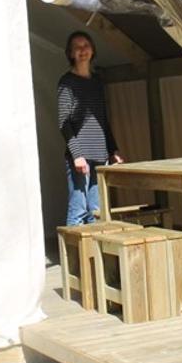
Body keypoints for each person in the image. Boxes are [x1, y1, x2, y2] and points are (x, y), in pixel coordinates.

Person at [57, 31, 123, 226]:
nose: (82, 50)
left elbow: (102, 120)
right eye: (77, 47)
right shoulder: (67, 83)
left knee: (96, 212)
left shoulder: (97, 82)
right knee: (78, 211)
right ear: (70, 53)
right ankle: (73, 248)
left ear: (93, 50)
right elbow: (64, 122)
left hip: (100, 155)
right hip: (80, 158)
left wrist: (113, 150)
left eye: (86, 45)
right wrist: (77, 155)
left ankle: (94, 248)